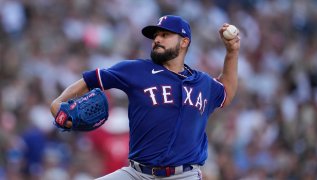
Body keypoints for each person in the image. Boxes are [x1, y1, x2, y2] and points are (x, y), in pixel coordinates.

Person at [50, 15, 240, 180]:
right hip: (137, 173)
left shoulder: (202, 83)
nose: (157, 39)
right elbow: (90, 80)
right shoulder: (136, 70)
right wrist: (58, 102)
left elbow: (226, 92)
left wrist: (232, 53)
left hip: (184, 175)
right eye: (155, 35)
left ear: (184, 42)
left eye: (165, 35)